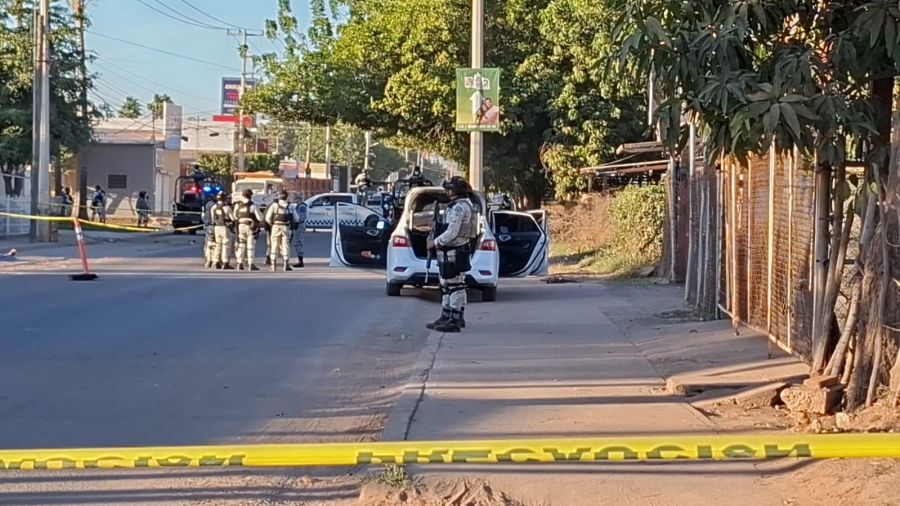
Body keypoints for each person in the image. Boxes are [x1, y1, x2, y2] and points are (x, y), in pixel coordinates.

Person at [426, 176, 477, 332]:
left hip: (454, 250)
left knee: (454, 285)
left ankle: (453, 320)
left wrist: (435, 242)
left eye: (450, 189)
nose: (447, 192)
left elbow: (452, 232)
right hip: (454, 250)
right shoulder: (462, 205)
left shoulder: (459, 208)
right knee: (448, 284)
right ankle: (449, 315)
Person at [266, 190, 299, 271]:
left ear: (279, 196)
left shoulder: (274, 205)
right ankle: (286, 264)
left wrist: (272, 224)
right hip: (285, 227)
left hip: (275, 226)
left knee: (274, 245)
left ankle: (273, 265)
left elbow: (267, 218)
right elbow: (296, 218)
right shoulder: (290, 206)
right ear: (286, 196)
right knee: (286, 245)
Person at [232, 188, 264, 271]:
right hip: (250, 227)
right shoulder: (253, 205)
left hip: (240, 226)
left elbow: (234, 216)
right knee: (250, 246)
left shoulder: (237, 205)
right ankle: (251, 264)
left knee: (241, 245)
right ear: (250, 196)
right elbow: (260, 218)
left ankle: (239, 263)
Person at [210, 191, 235, 270]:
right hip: (225, 228)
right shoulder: (227, 208)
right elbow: (233, 218)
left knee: (217, 244)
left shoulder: (214, 207)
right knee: (225, 245)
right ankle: (225, 262)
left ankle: (215, 262)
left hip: (216, 227)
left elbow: (212, 218)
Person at [290, 191, 308, 268]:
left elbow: (302, 217)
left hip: (299, 225)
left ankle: (300, 261)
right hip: (298, 225)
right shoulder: (298, 206)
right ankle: (300, 260)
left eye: (295, 198)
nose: (294, 200)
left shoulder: (302, 206)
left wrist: (296, 221)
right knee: (297, 242)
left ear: (299, 199)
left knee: (298, 242)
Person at [201, 192, 218, 268]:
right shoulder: (216, 205)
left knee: (209, 243)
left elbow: (203, 215)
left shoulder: (207, 204)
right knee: (216, 244)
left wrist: (206, 222)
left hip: (208, 226)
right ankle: (214, 261)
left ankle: (208, 260)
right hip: (215, 225)